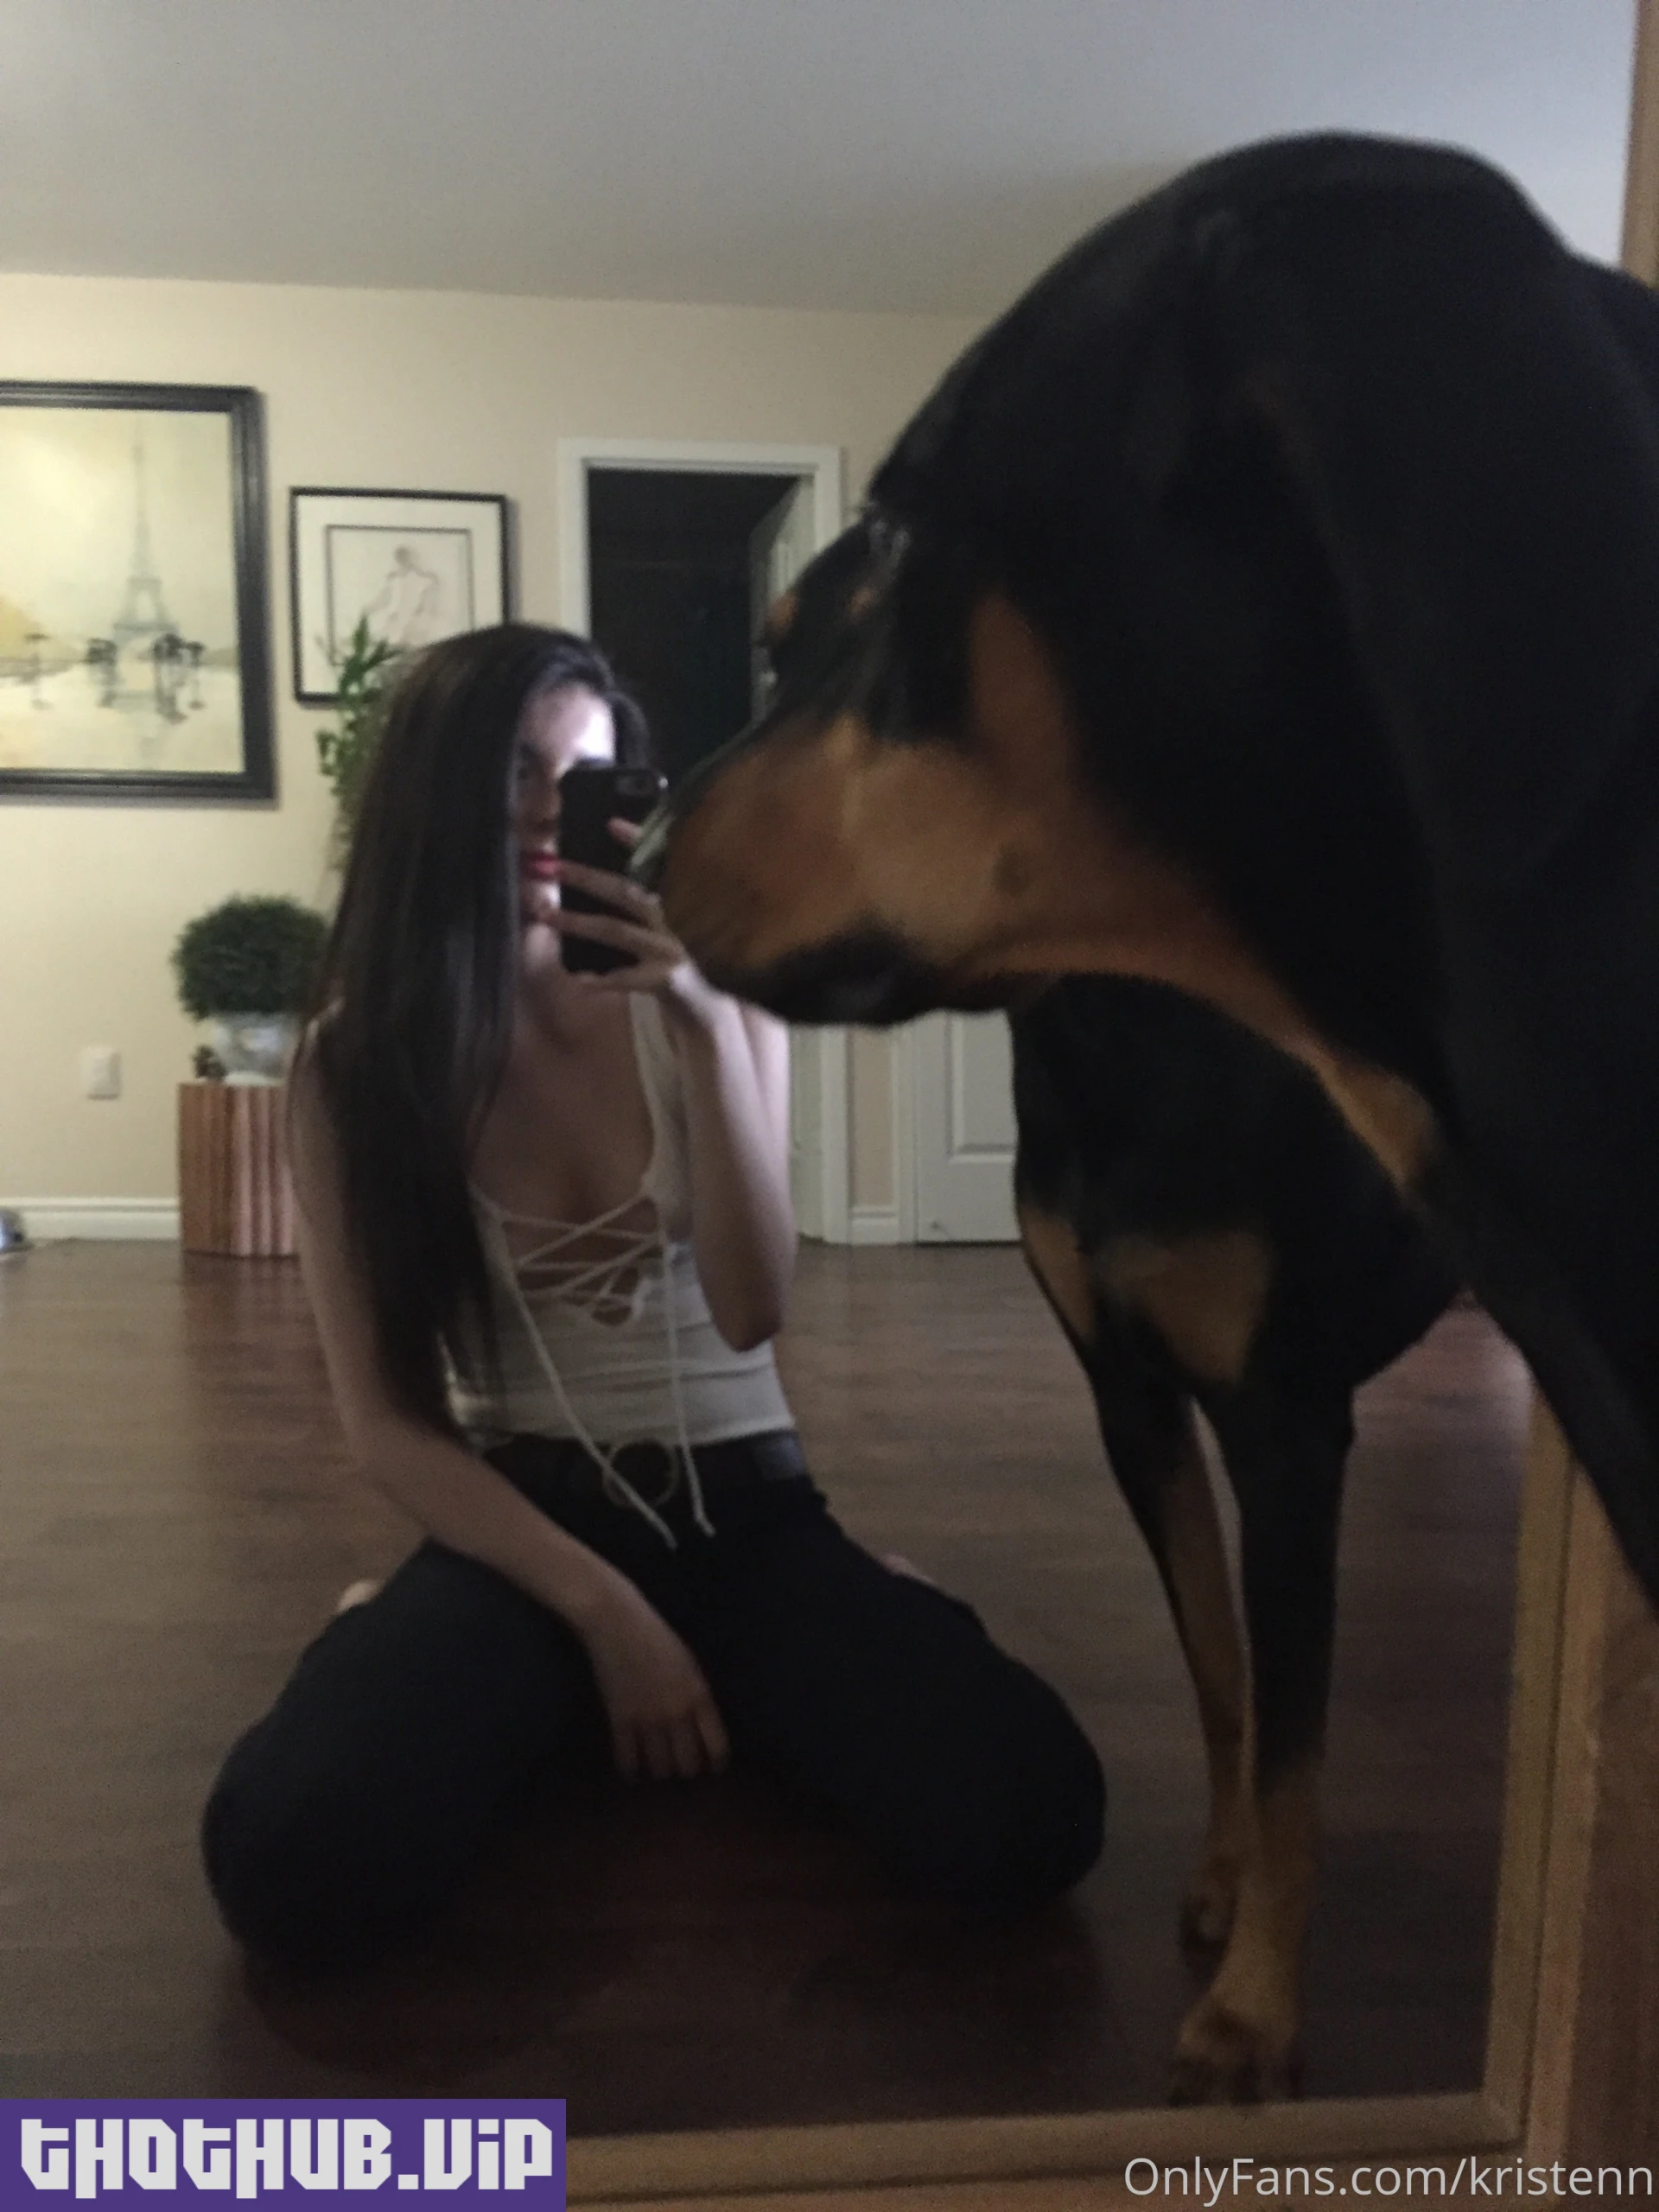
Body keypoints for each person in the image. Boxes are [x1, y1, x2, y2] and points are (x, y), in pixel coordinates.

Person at [200, 624, 1105, 1973]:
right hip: (524, 1532)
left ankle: (694, 1665)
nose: (545, 817)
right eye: (515, 771)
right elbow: (388, 1425)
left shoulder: (720, 1002)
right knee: (291, 1864)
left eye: (584, 781)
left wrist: (701, 1017)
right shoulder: (356, 1065)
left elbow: (751, 1310)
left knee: (1029, 1816)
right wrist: (607, 1612)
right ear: (433, 788)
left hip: (744, 1514)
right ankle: (464, 1648)